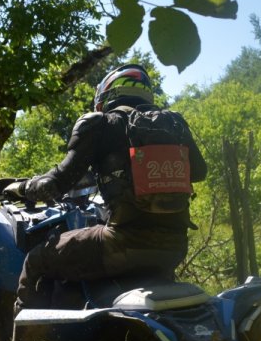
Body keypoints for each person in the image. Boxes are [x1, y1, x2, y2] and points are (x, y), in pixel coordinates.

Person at [10, 63, 207, 310]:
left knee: (36, 259)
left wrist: (25, 187)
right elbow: (199, 172)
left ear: (106, 94)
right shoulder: (175, 124)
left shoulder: (100, 123)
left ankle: (28, 334)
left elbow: (57, 182)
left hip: (120, 246)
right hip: (174, 248)